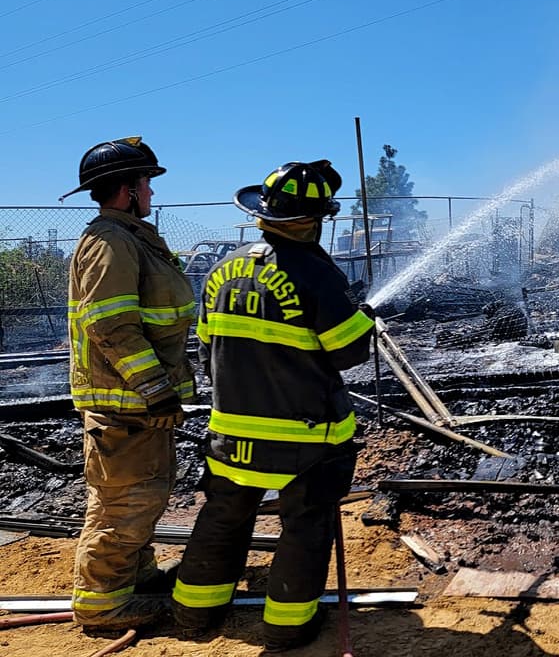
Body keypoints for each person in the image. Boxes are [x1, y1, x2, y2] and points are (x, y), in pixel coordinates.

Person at [172, 160, 375, 651]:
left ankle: (193, 614)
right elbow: (348, 353)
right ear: (315, 219)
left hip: (231, 432)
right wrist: (362, 318)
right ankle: (287, 627)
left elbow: (206, 348)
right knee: (305, 524)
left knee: (223, 515)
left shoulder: (222, 270)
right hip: (304, 436)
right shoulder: (316, 274)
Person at [63, 136, 195, 631]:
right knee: (122, 507)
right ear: (127, 190)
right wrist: (155, 388)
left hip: (137, 406)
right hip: (127, 405)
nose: (152, 192)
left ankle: (134, 580)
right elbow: (111, 325)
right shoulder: (111, 243)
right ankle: (102, 605)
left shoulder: (130, 237)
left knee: (143, 499)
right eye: (146, 183)